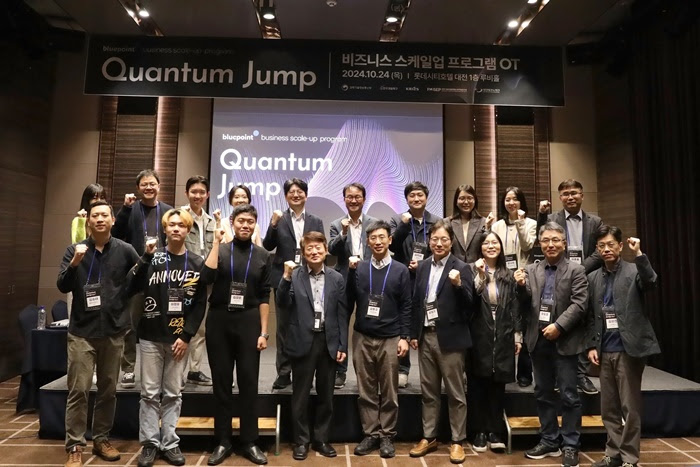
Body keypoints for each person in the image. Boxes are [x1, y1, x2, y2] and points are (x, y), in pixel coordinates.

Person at [57, 200, 139, 467]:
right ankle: (75, 445)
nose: (100, 219)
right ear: (89, 221)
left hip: (114, 332)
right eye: (95, 216)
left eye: (105, 215)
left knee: (108, 391)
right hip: (82, 332)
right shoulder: (75, 250)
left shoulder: (125, 250)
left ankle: (101, 438)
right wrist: (75, 263)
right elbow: (62, 286)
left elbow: (140, 279)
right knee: (79, 390)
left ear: (113, 220)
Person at [129, 208, 206, 467]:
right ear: (164, 229)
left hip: (178, 339)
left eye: (181, 225)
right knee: (149, 393)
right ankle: (150, 444)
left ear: (188, 230)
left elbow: (199, 304)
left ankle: (170, 443)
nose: (175, 228)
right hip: (151, 336)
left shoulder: (196, 263)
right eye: (171, 224)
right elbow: (131, 285)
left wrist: (186, 336)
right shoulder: (153, 257)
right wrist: (144, 257)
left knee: (173, 393)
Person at [202, 204, 271, 466]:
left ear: (255, 224)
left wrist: (264, 331)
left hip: (249, 321)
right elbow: (206, 277)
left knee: (248, 382)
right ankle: (222, 440)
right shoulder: (221, 250)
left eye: (250, 221)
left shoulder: (263, 255)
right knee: (221, 383)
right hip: (219, 319)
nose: (245, 225)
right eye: (241, 220)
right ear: (232, 222)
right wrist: (215, 244)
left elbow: (264, 296)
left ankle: (249, 441)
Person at [515, 222, 588, 467]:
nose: (550, 244)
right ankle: (549, 440)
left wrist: (559, 326)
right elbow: (524, 304)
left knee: (569, 395)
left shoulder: (576, 270)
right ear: (540, 244)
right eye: (546, 240)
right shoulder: (531, 269)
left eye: (556, 240)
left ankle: (570, 444)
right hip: (538, 341)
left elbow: (580, 304)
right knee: (543, 394)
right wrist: (520, 287)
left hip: (565, 341)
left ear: (564, 243)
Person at [586, 227, 659, 467]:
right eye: (601, 246)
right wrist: (592, 345)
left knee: (630, 407)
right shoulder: (593, 277)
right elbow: (591, 316)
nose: (606, 249)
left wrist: (639, 254)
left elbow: (651, 282)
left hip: (628, 349)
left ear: (619, 246)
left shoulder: (634, 270)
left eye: (610, 245)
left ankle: (629, 457)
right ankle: (613, 453)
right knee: (608, 408)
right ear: (597, 249)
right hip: (603, 349)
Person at [276, 231, 348, 460]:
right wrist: (285, 277)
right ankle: (301, 441)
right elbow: (282, 303)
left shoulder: (336, 278)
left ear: (326, 250)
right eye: (309, 248)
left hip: (328, 341)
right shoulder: (295, 275)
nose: (314, 252)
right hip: (302, 341)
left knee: (326, 395)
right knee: (300, 396)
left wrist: (342, 345)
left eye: (318, 248)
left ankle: (321, 439)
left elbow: (342, 314)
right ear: (303, 252)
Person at [408, 220, 473, 464]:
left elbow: (470, 306)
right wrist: (414, 333)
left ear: (451, 242)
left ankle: (457, 440)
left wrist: (458, 286)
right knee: (429, 391)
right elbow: (417, 301)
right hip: (426, 335)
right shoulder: (423, 266)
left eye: (444, 239)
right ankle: (429, 436)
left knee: (456, 393)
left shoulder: (462, 268)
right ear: (429, 241)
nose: (439, 243)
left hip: (451, 338)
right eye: (434, 239)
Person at [349, 220, 411, 459]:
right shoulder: (360, 268)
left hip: (390, 337)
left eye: (382, 237)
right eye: (373, 238)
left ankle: (387, 434)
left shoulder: (400, 270)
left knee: (389, 390)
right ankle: (370, 433)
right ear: (367, 242)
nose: (378, 242)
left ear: (390, 240)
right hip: (362, 336)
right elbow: (349, 300)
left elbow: (406, 306)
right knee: (365, 389)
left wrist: (404, 337)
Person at [538, 179, 604, 395]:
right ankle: (561, 374)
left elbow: (600, 249)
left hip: (588, 275)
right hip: (558, 276)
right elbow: (543, 242)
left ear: (582, 195)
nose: (570, 197)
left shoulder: (595, 221)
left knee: (585, 320)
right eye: (565, 194)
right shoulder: (552, 219)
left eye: (574, 193)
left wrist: (580, 269)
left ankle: (581, 375)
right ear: (560, 197)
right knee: (561, 320)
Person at [112, 169, 173, 389]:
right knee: (130, 325)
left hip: (161, 275)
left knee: (162, 322)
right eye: (144, 184)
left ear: (159, 186)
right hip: (136, 275)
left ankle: (164, 370)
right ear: (138, 188)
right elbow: (116, 234)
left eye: (152, 184)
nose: (149, 187)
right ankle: (128, 369)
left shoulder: (168, 211)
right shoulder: (130, 210)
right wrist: (125, 209)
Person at [263, 178, 324, 390]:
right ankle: (283, 372)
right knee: (284, 327)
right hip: (284, 277)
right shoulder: (279, 219)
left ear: (306, 195)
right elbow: (267, 245)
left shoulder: (316, 220)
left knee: (308, 325)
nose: (296, 195)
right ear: (286, 196)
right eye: (291, 192)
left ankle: (305, 371)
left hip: (310, 278)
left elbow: (320, 249)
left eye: (300, 192)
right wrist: (272, 225)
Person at [469, 231, 523, 453]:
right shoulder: (472, 269)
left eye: (495, 243)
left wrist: (517, 334)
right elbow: (470, 299)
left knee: (497, 385)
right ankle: (479, 431)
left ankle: (495, 431)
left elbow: (515, 306)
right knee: (478, 384)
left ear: (500, 247)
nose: (491, 246)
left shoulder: (508, 274)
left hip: (503, 333)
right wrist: (481, 275)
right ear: (480, 247)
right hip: (479, 333)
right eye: (486, 243)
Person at [389, 181, 440, 387]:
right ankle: (403, 368)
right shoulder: (397, 219)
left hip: (427, 275)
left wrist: (423, 264)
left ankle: (434, 366)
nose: (416, 199)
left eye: (420, 195)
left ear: (426, 197)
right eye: (412, 196)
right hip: (402, 276)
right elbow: (392, 246)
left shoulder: (436, 221)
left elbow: (441, 247)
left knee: (427, 318)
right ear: (406, 199)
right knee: (403, 320)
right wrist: (403, 225)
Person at [328, 182, 377, 389]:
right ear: (344, 199)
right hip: (344, 280)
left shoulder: (374, 223)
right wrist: (343, 233)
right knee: (341, 324)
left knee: (370, 323)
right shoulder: (336, 224)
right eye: (350, 197)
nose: (353, 200)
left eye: (357, 197)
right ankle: (340, 370)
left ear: (364, 199)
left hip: (368, 280)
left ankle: (371, 370)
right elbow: (331, 249)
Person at [490, 186, 536, 388]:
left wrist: (519, 222)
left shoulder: (531, 223)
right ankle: (502, 368)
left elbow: (527, 246)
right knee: (503, 323)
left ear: (521, 202)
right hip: (501, 278)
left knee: (524, 324)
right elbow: (492, 249)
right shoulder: (497, 225)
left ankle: (524, 373)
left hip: (522, 278)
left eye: (515, 199)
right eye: (507, 199)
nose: (511, 203)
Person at [181, 175, 221, 387]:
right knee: (180, 323)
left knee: (200, 326)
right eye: (194, 192)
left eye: (202, 192)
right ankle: (176, 370)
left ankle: (194, 370)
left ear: (208, 195)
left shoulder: (212, 222)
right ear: (186, 193)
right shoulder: (179, 217)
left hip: (206, 280)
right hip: (184, 278)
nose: (198, 196)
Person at [447, 184, 493, 263]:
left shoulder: (484, 222)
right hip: (454, 268)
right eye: (462, 198)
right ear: (456, 202)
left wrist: (487, 228)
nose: (466, 202)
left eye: (469, 198)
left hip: (478, 268)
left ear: (475, 201)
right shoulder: (447, 222)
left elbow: (488, 247)